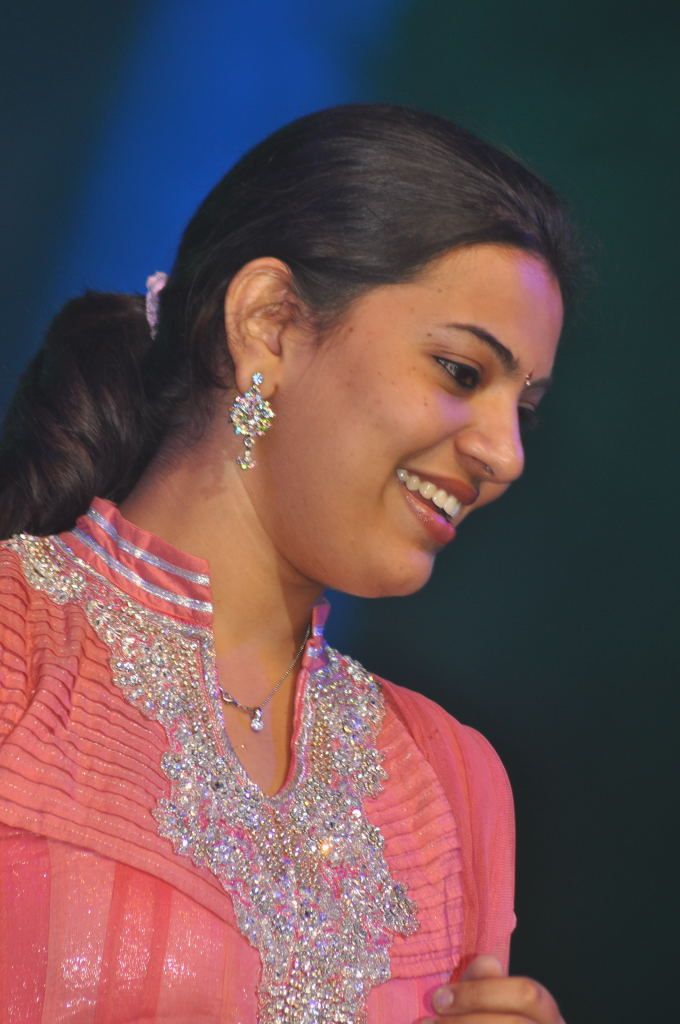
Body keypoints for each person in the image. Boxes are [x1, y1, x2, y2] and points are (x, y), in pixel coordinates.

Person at [0, 104, 575, 1023]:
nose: (504, 455)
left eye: (524, 411)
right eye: (462, 372)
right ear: (269, 323)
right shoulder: (21, 649)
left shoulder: (452, 785)